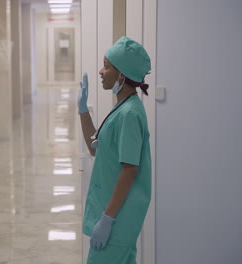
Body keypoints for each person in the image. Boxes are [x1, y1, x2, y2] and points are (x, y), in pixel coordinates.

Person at [78, 36, 152, 264]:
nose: (101, 71)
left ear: (122, 74)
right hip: (117, 218)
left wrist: (108, 219)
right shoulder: (123, 108)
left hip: (117, 221)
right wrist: (82, 110)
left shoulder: (129, 114)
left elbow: (129, 171)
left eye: (106, 66)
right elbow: (95, 149)